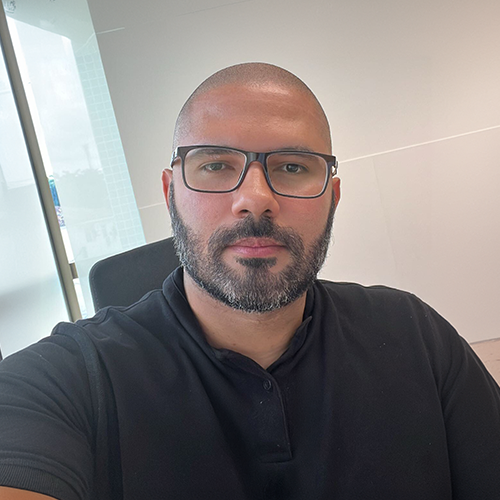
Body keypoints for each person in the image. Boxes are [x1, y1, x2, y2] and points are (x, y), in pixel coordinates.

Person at [0, 62, 499, 500]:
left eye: (292, 166)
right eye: (216, 165)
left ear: (333, 197)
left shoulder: (414, 335)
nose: (255, 199)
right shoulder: (66, 382)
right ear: (171, 194)